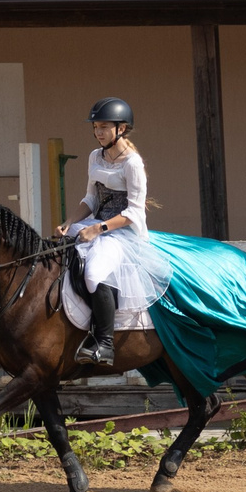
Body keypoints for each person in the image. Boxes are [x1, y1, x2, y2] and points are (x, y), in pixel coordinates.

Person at [59, 96, 170, 367]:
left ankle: (104, 343)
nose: (98, 133)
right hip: (95, 225)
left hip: (123, 233)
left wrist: (98, 229)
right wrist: (69, 221)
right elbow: (91, 200)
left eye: (104, 127)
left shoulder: (132, 163)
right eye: (96, 127)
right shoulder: (94, 156)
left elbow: (134, 213)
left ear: (121, 128)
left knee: (95, 273)